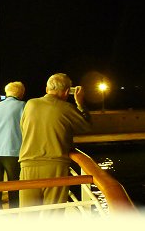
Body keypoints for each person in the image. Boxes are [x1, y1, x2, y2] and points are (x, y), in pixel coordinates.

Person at [19, 73, 91, 214]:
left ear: (47, 89)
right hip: (56, 166)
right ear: (66, 92)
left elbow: (23, 127)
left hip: (28, 165)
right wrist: (81, 104)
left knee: (27, 215)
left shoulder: (30, 104)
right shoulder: (66, 108)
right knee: (52, 215)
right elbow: (86, 127)